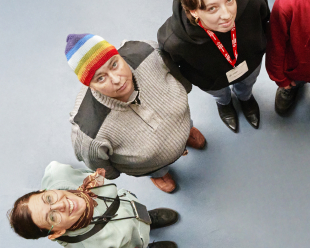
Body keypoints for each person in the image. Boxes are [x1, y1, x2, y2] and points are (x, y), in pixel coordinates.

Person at [66, 34, 206, 194]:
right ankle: (158, 173)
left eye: (114, 64)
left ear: (118, 54)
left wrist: (184, 95)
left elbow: (179, 76)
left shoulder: (148, 52)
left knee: (184, 121)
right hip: (151, 164)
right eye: (101, 78)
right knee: (155, 168)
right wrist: (119, 173)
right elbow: (101, 166)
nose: (116, 80)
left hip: (181, 121)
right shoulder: (88, 131)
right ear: (90, 86)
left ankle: (186, 132)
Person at [7, 162, 179, 248]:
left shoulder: (57, 175)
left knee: (140, 215)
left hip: (127, 205)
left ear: (42, 191)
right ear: (56, 233)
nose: (62, 204)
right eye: (52, 217)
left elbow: (52, 168)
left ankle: (147, 218)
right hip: (132, 247)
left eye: (49, 199)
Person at [157, 0, 269, 133]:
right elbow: (174, 65)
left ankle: (245, 98)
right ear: (194, 11)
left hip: (249, 64)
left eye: (229, 0)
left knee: (246, 86)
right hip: (212, 80)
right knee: (221, 95)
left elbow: (265, 21)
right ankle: (224, 104)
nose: (227, 15)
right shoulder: (174, 40)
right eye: (212, 8)